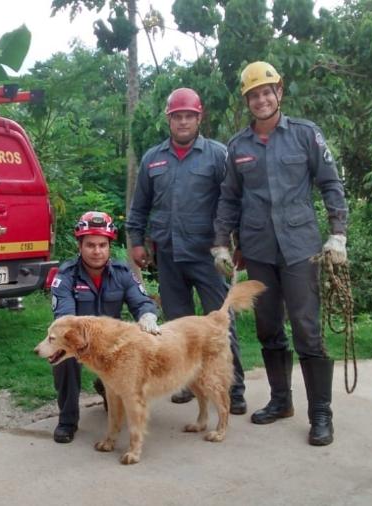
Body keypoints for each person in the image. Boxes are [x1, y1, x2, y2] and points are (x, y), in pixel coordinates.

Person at [212, 61, 349, 446]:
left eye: (266, 92)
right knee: (268, 327)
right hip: (258, 250)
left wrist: (338, 235)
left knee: (306, 328)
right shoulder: (238, 146)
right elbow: (229, 198)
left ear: (279, 92)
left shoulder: (306, 135)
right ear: (247, 101)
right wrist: (221, 243)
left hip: (300, 248)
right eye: (253, 95)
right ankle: (281, 400)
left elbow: (331, 184)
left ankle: (320, 413)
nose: (261, 100)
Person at [126, 87, 247, 414]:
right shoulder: (153, 158)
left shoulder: (218, 155)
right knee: (178, 327)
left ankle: (233, 389)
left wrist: (238, 244)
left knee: (220, 323)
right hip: (167, 255)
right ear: (169, 120)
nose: (183, 122)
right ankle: (188, 384)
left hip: (208, 256)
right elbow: (139, 207)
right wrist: (136, 242)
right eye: (177, 116)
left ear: (199, 118)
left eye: (189, 116)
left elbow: (233, 202)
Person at [49, 211, 161, 444]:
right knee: (63, 358)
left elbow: (141, 302)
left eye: (102, 245)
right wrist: (81, 345)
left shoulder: (122, 273)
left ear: (109, 246)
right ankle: (67, 420)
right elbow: (65, 319)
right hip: (77, 340)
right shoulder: (66, 276)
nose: (97, 251)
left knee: (139, 344)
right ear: (80, 246)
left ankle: (108, 388)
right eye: (90, 245)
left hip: (111, 344)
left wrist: (147, 316)